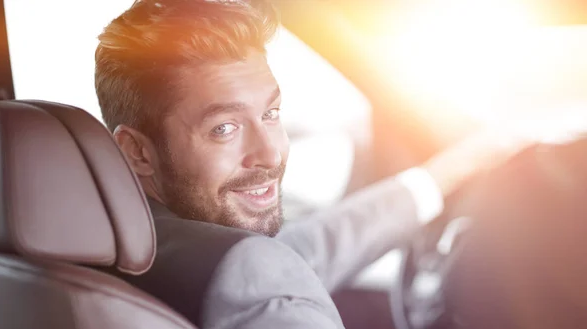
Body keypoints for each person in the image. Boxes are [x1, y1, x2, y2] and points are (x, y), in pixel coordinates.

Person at [94, 0, 536, 328]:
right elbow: (265, 271)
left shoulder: (119, 246)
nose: (270, 154)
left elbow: (299, 251)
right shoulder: (254, 283)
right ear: (137, 151)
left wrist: (441, 177)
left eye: (271, 114)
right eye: (224, 129)